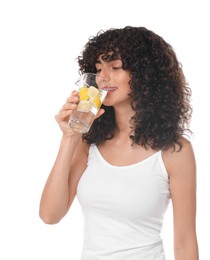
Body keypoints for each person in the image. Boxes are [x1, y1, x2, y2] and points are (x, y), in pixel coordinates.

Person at [39, 26, 199, 260]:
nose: (103, 77)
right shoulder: (88, 143)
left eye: (115, 67)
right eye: (98, 69)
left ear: (145, 74)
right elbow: (49, 215)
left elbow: (185, 243)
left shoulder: (174, 151)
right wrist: (70, 137)